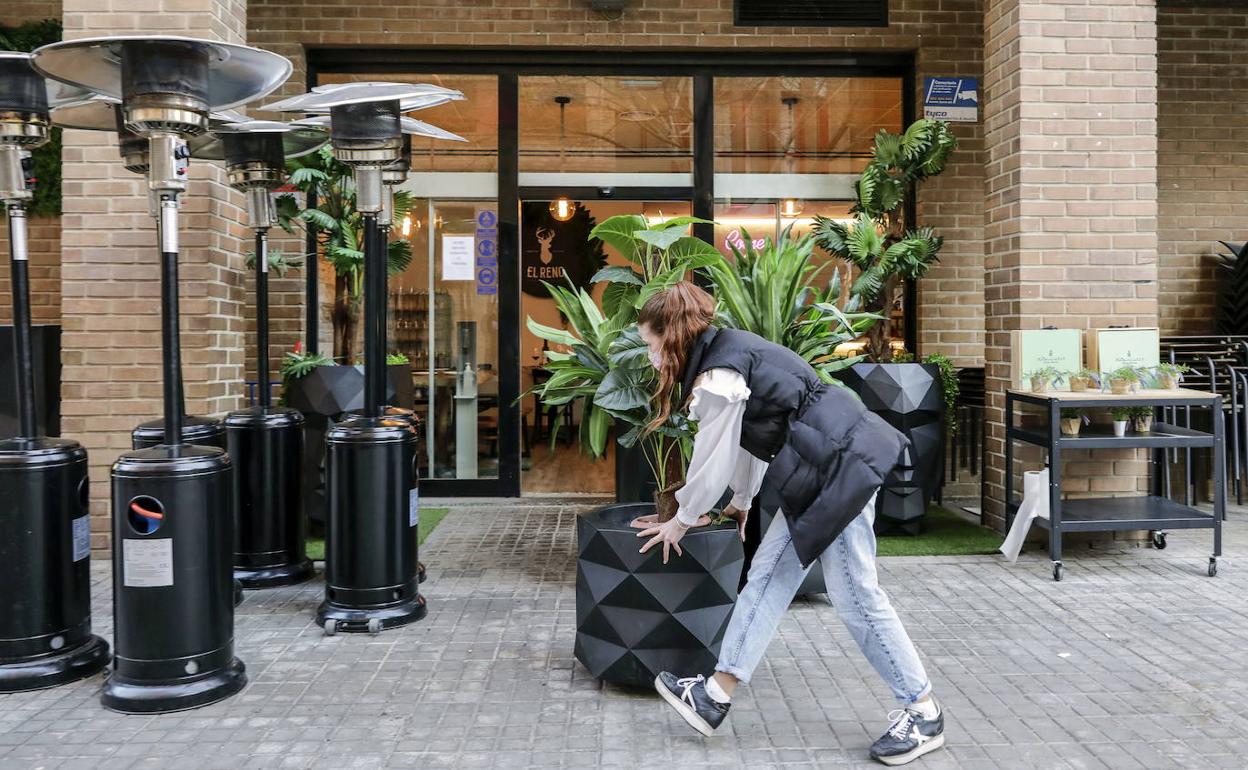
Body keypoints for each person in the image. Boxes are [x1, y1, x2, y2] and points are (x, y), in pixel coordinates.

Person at [634, 282, 945, 767]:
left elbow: (712, 458)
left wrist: (682, 518)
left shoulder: (718, 374)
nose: (652, 357)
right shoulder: (727, 356)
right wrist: (741, 502)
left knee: (856, 595)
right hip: (829, 466)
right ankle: (716, 694)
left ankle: (922, 710)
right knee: (770, 579)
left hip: (838, 468)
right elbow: (749, 440)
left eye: (652, 346)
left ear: (672, 337)